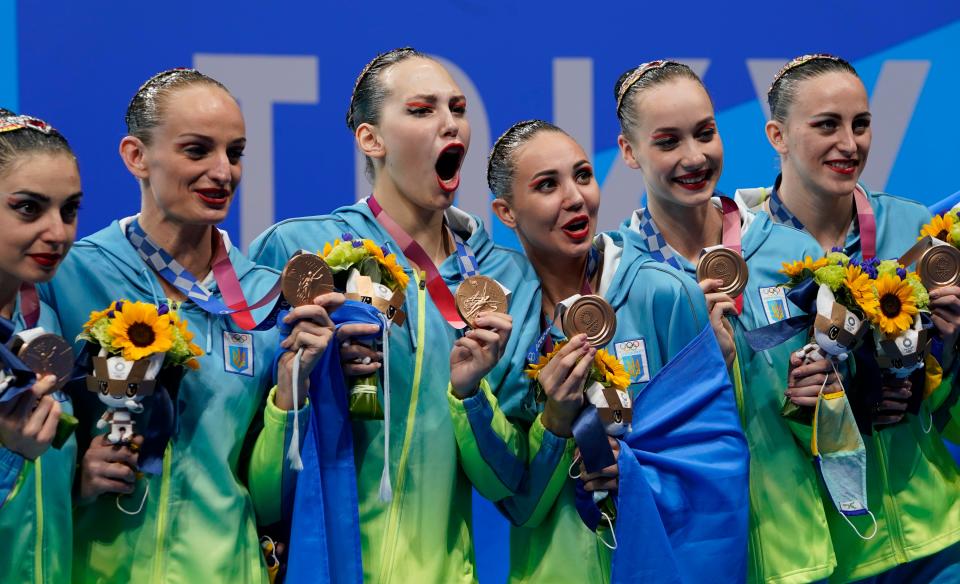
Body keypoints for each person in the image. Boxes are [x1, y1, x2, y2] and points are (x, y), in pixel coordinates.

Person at [249, 48, 539, 582]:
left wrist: (470, 395)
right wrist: (306, 382)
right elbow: (256, 485)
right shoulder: (300, 252)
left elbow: (509, 485)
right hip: (323, 565)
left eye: (456, 107)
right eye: (422, 110)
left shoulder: (506, 279)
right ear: (371, 139)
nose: (450, 122)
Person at [41, 69, 329, 583]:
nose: (223, 172)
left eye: (235, 153)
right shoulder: (69, 276)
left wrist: (291, 394)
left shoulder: (265, 298)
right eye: (197, 151)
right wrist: (74, 481)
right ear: (136, 156)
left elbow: (269, 495)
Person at [458, 118, 747, 582]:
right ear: (506, 212)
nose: (575, 197)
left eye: (583, 176)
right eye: (547, 185)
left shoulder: (664, 292)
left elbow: (714, 460)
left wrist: (632, 474)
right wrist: (545, 417)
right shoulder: (498, 326)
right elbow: (517, 502)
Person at [736, 54, 960, 583]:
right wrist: (800, 407)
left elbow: (948, 405)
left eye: (861, 124)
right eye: (827, 125)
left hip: (939, 529)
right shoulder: (743, 262)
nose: (850, 143)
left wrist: (949, 352)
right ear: (778, 135)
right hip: (835, 556)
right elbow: (754, 428)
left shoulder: (914, 227)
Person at [614, 60, 836, 583]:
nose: (694, 157)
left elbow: (837, 417)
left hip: (802, 558)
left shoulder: (792, 251)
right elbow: (627, 442)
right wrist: (702, 373)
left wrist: (832, 391)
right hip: (696, 564)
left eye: (705, 133)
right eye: (667, 142)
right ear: (629, 151)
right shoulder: (619, 283)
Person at [0, 110, 82, 583]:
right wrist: (7, 456)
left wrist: (79, 483)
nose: (58, 232)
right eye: (29, 208)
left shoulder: (44, 322)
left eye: (69, 209)